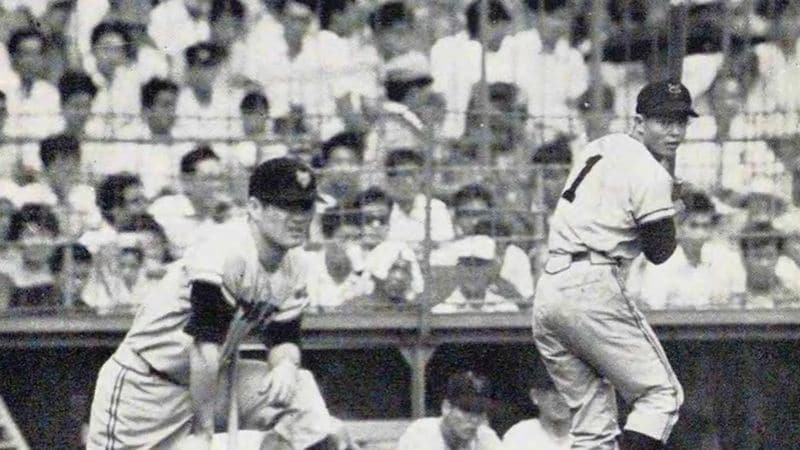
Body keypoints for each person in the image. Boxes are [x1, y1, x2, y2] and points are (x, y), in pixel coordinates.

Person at [87, 157, 332, 449]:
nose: (299, 217)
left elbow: (283, 335)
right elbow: (204, 347)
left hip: (210, 384)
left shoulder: (295, 265)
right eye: (286, 206)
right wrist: (204, 433)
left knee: (300, 391)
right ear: (254, 208)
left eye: (305, 206)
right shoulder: (225, 248)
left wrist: (285, 365)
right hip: (145, 389)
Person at [532, 80, 693, 450]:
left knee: (593, 427)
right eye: (663, 121)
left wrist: (664, 199)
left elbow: (613, 204)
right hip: (592, 284)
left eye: (681, 122)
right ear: (639, 123)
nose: (674, 131)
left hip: (551, 289)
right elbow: (660, 252)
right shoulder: (651, 173)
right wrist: (674, 210)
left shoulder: (599, 147)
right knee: (661, 396)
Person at [396, 371, 504, 450]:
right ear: (446, 407)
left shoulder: (485, 436)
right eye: (466, 410)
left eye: (479, 411)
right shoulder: (420, 436)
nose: (474, 419)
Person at [503, 374, 571, 450]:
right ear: (535, 395)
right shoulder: (520, 436)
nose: (562, 398)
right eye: (554, 391)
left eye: (569, 391)